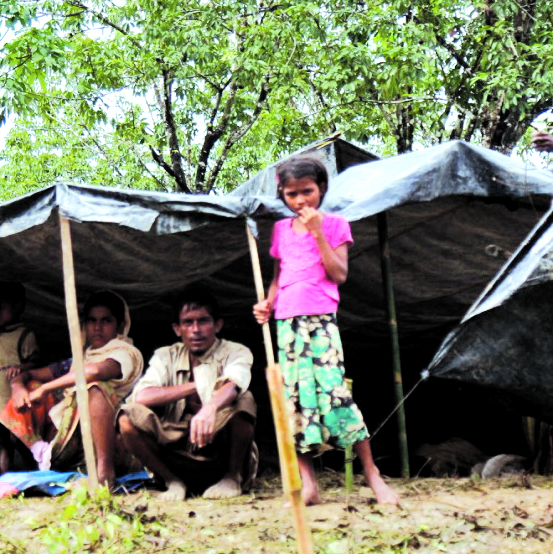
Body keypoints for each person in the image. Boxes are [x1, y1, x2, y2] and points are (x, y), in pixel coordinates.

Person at [252, 154, 399, 506]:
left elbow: (339, 274)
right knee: (294, 402)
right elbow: (277, 279)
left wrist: (318, 234)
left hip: (320, 321)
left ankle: (372, 475)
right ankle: (309, 485)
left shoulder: (335, 225)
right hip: (287, 324)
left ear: (321, 189)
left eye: (307, 191)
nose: (300, 200)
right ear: (283, 196)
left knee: (335, 394)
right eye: (291, 194)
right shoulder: (280, 231)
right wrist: (266, 304)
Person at [118, 285, 257, 501]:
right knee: (127, 417)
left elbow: (234, 383)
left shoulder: (236, 351)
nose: (195, 329)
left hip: (218, 452)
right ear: (177, 329)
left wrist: (210, 409)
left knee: (244, 400)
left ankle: (232, 478)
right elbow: (142, 396)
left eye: (203, 321)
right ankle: (172, 482)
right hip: (176, 451)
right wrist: (197, 385)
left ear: (218, 325)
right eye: (188, 322)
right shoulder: (165, 356)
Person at [1, 290, 144, 488]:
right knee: (29, 390)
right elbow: (27, 375)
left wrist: (45, 389)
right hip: (72, 444)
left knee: (95, 389)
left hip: (116, 444)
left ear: (120, 325)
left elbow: (94, 371)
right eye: (92, 320)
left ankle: (104, 471)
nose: (97, 327)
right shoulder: (79, 359)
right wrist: (17, 387)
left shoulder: (126, 354)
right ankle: (41, 456)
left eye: (106, 321)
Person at [0, 282, 41, 473]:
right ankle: (5, 481)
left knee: (22, 440)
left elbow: (37, 363)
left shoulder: (25, 335)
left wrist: (22, 368)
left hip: (14, 401)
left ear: (18, 307)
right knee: (5, 443)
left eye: (0, 308)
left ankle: (36, 476)